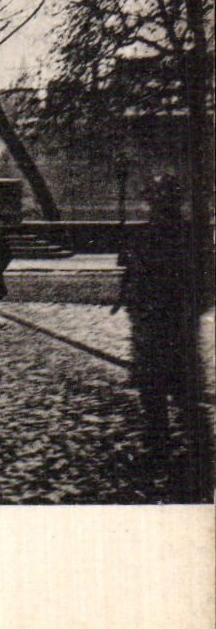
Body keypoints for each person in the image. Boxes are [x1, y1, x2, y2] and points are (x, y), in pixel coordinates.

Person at [115, 175, 210, 493]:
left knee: (162, 392)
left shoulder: (177, 237)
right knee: (177, 393)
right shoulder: (190, 236)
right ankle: (190, 451)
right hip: (168, 325)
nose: (157, 208)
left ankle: (167, 449)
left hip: (164, 325)